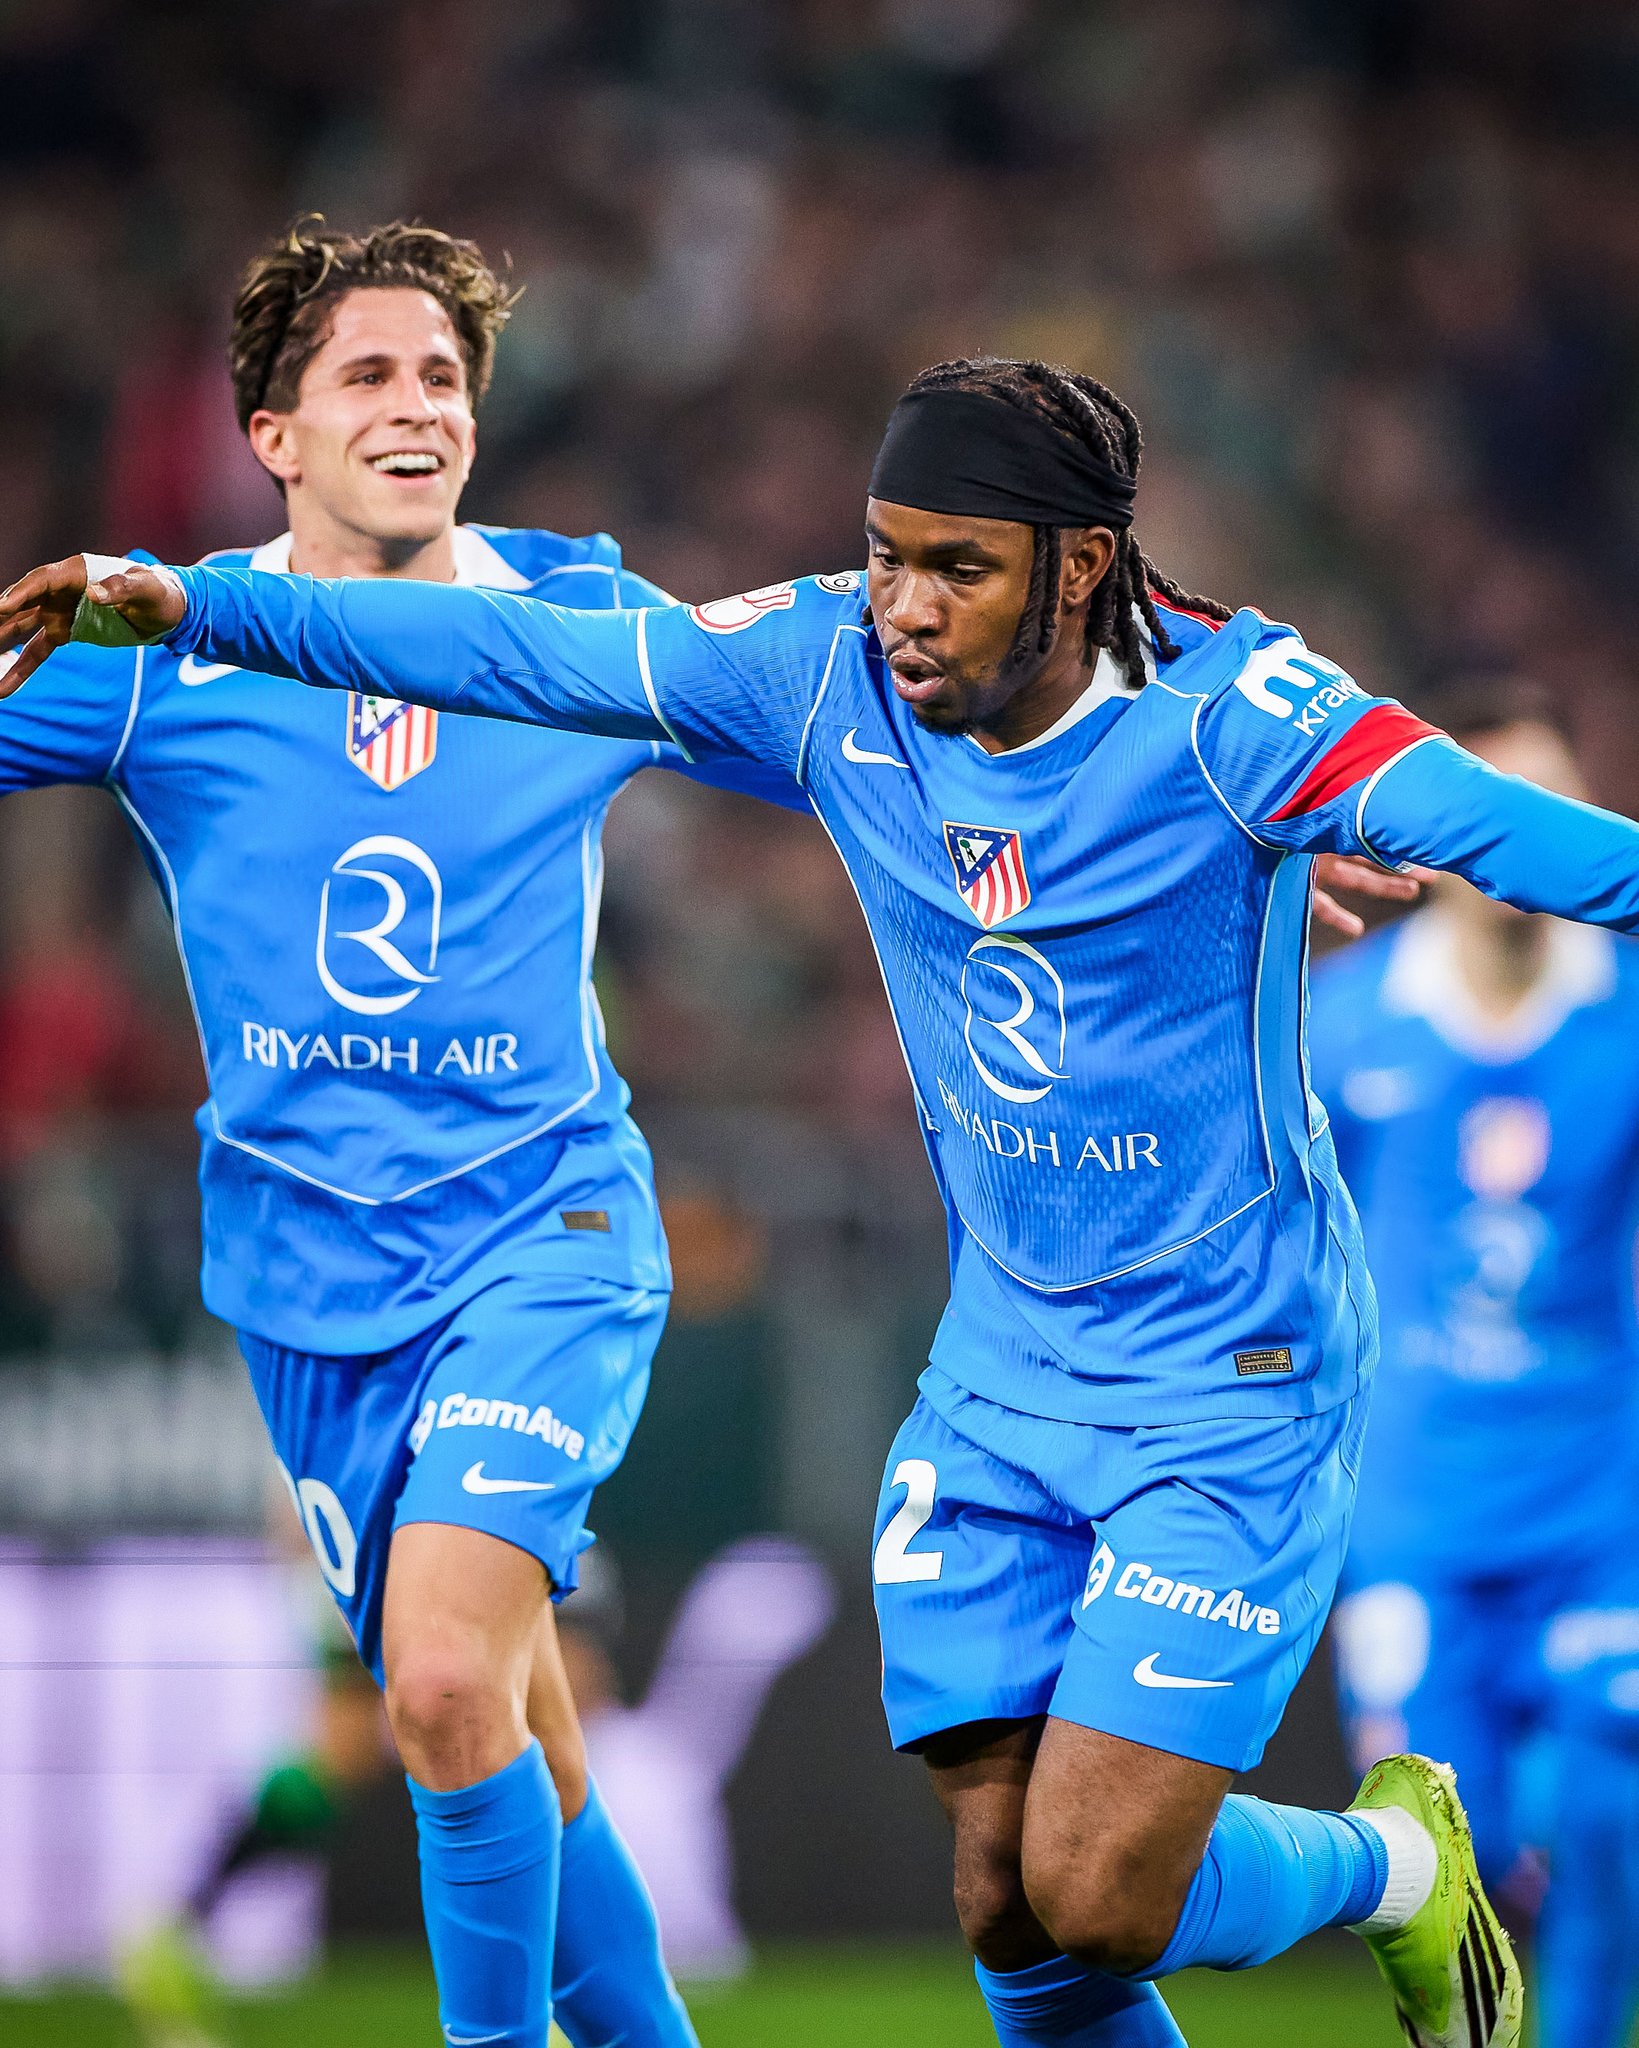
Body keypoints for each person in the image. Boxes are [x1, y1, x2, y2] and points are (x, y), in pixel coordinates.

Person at [17, 354, 1633, 2048]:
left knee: (1098, 1891)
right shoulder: (823, 671)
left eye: (957, 568)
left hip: (1232, 1377)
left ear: (1081, 567)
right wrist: (200, 604)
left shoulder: (1242, 722)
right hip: (1006, 1370)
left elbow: (1505, 830)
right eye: (884, 555)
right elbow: (508, 653)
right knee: (1007, 1906)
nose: (904, 607)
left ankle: (1394, 1868)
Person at [0, 217, 819, 2048]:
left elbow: (857, 738)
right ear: (272, 436)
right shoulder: (156, 651)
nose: (418, 405)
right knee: (528, 1741)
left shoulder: (580, 627)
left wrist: (1193, 848)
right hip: (306, 1288)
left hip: (545, 1231)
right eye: (368, 373)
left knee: (444, 1687)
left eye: (443, 375)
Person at [1311, 674, 1639, 2048]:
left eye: (1550, 806)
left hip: (1601, 1503)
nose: (1522, 845)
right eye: (1490, 810)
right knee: (1452, 1853)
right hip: (1415, 1511)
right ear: (1429, 838)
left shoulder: (1630, 1009)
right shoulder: (1341, 1021)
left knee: (1610, 1813)